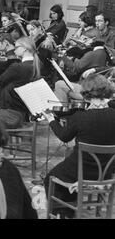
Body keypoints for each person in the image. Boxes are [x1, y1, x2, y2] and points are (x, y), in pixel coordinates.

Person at [42, 75, 115, 218]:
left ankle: (62, 213)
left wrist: (51, 120)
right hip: (107, 171)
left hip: (80, 172)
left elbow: (64, 136)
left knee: (50, 178)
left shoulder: (80, 117)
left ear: (86, 94)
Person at [0, 37, 41, 128]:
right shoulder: (37, 65)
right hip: (25, 107)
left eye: (17, 47)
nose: (14, 50)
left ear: (25, 48)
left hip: (12, 108)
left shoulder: (17, 67)